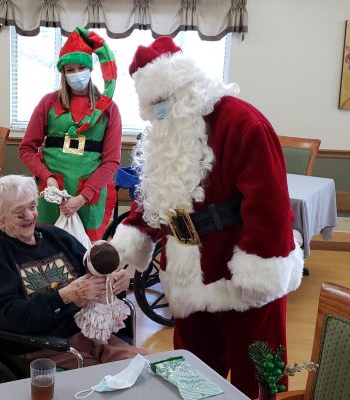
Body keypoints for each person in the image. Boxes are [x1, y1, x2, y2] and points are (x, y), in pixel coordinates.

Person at [110, 36, 304, 399]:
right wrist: (125, 245)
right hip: (185, 276)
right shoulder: (165, 134)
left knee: (258, 376)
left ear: (188, 88)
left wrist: (258, 270)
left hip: (241, 276)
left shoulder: (242, 122)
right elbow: (155, 196)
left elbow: (270, 205)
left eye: (164, 102)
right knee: (191, 374)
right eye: (153, 106)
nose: (160, 112)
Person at [0, 175, 144, 371]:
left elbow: (96, 271)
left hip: (88, 332)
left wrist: (115, 283)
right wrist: (64, 296)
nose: (30, 216)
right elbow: (9, 315)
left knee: (146, 368)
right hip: (41, 345)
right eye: (19, 213)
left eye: (32, 207)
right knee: (102, 383)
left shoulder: (55, 237)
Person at [19, 27, 121, 241]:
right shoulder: (48, 103)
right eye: (70, 69)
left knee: (85, 254)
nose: (76, 74)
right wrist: (48, 178)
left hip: (89, 197)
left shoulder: (108, 109)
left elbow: (111, 161)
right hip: (52, 196)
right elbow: (26, 149)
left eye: (82, 67)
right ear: (63, 72)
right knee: (47, 250)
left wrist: (84, 196)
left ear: (90, 69)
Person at [74, 240, 128, 344]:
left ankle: (101, 349)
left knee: (98, 336)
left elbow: (79, 303)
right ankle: (104, 346)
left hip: (97, 313)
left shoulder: (90, 282)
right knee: (106, 332)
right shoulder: (114, 276)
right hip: (112, 308)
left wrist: (79, 294)